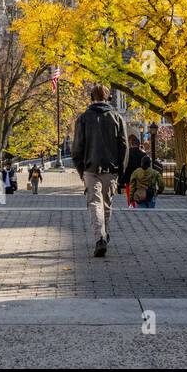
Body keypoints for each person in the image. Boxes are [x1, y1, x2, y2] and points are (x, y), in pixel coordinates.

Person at [72, 83, 127, 257]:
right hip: (111, 168)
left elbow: (77, 148)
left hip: (90, 167)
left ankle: (100, 238)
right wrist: (121, 171)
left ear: (91, 97)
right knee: (106, 203)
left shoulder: (83, 118)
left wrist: (81, 170)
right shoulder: (117, 118)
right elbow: (124, 146)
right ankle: (103, 235)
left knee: (94, 203)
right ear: (108, 98)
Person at [120, 134, 145, 207]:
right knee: (138, 190)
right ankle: (138, 204)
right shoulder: (142, 154)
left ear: (131, 144)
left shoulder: (127, 154)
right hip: (139, 177)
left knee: (129, 191)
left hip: (129, 176)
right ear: (139, 144)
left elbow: (124, 165)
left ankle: (131, 204)